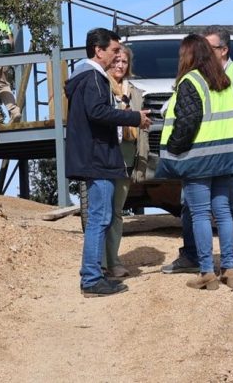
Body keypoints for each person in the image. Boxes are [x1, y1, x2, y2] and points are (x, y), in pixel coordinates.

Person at [163, 27, 233, 276]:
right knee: (223, 210)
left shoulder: (193, 80)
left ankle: (206, 270)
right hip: (228, 156)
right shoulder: (222, 80)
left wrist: (173, 149)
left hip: (201, 157)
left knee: (200, 213)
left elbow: (188, 121)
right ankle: (228, 267)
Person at [65, 28, 151, 297]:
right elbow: (97, 112)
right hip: (98, 158)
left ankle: (93, 274)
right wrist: (133, 117)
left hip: (95, 156)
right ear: (98, 50)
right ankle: (92, 279)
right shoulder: (93, 77)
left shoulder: (85, 76)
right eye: (114, 51)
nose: (117, 57)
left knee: (100, 218)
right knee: (99, 218)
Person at [103, 44, 148, 279]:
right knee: (100, 209)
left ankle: (114, 260)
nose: (120, 66)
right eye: (116, 61)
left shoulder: (135, 92)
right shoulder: (100, 87)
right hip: (103, 152)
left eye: (124, 62)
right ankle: (99, 262)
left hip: (127, 153)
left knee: (117, 209)